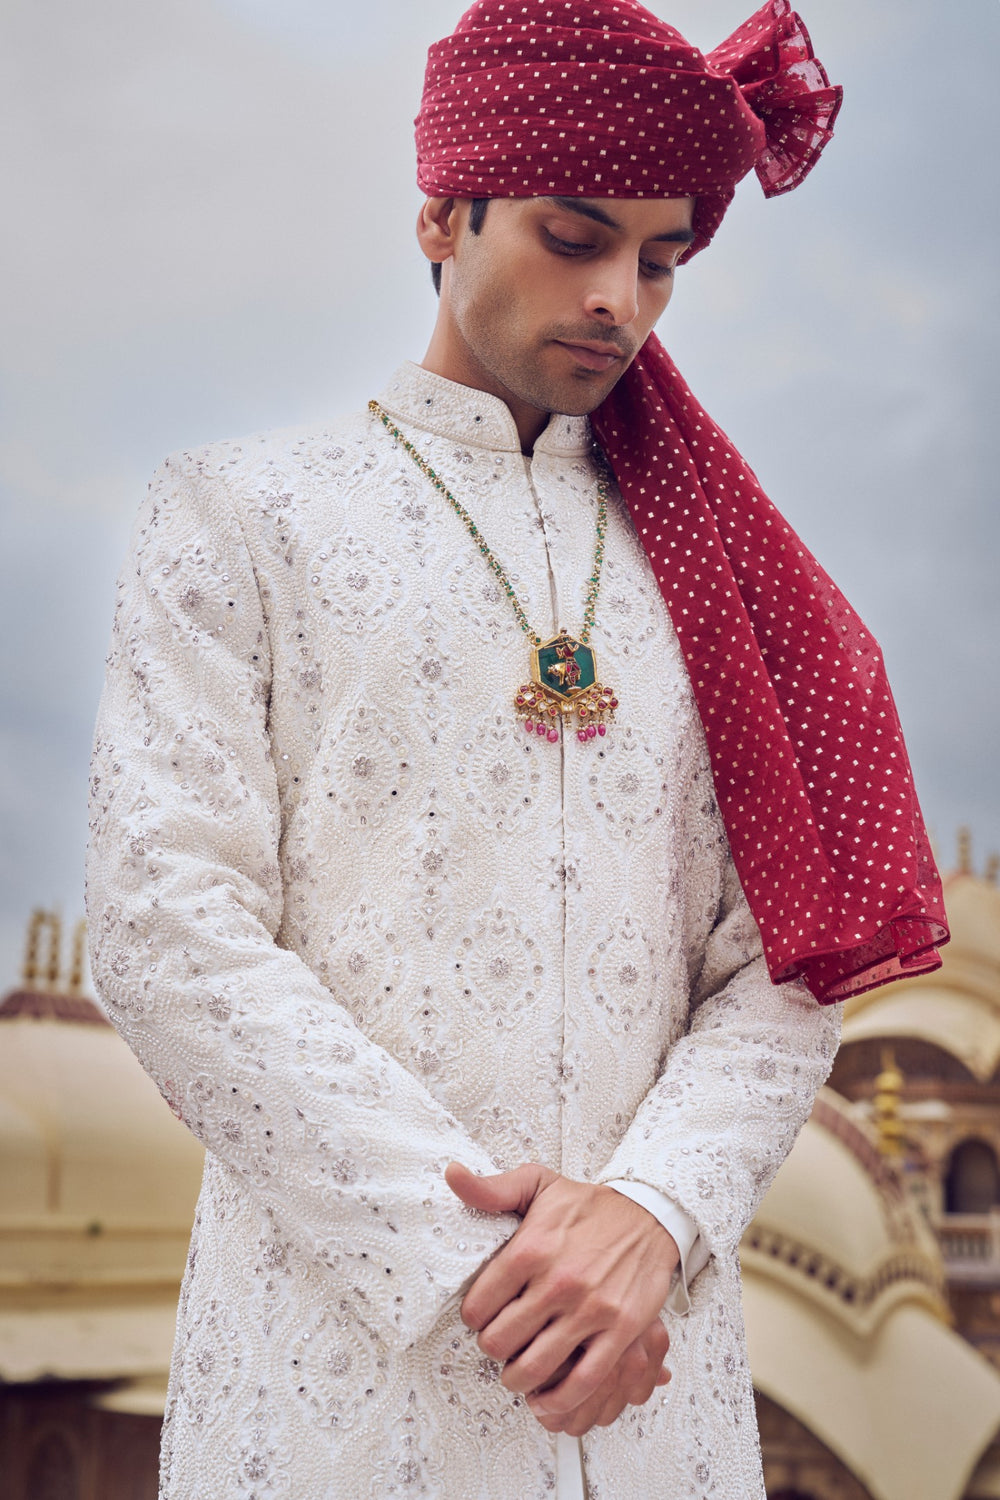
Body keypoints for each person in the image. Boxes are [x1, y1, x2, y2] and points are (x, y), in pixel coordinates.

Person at [85, 2, 947, 1496]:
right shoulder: (242, 515)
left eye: (662, 261)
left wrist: (655, 1218)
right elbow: (169, 933)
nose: (620, 298)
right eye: (574, 235)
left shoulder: (717, 577)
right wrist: (506, 1268)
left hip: (653, 1389)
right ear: (441, 210)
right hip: (334, 1390)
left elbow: (783, 961)